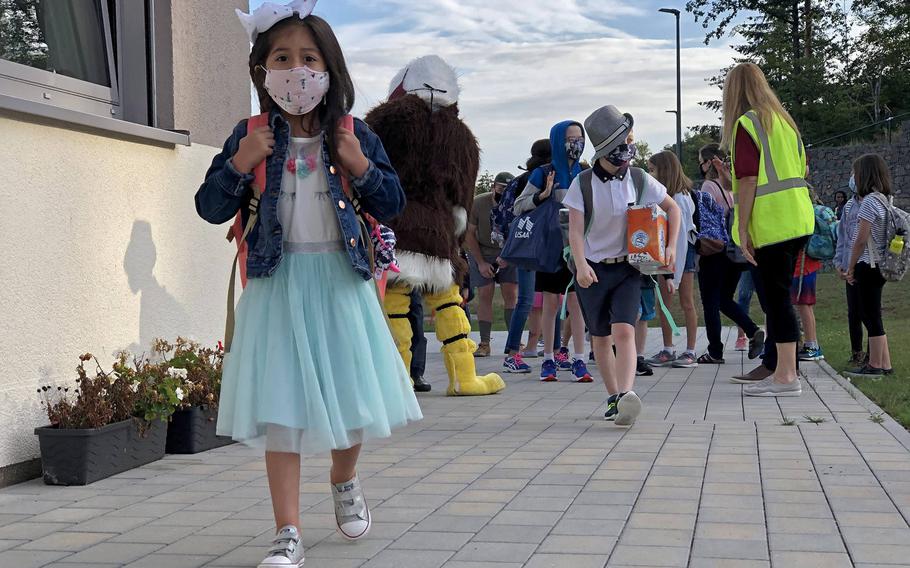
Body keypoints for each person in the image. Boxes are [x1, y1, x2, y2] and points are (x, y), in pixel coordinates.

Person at [196, 3, 422, 565]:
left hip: (341, 284)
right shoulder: (247, 135)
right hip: (276, 284)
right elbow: (208, 206)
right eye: (281, 58)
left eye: (308, 58)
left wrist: (362, 167)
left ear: (330, 69)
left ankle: (344, 480)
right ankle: (287, 531)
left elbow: (393, 204)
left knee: (349, 403)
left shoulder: (354, 133)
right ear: (260, 71)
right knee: (283, 412)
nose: (295, 71)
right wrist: (237, 164)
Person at [365, 55, 506, 397]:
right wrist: (455, 239)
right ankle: (464, 378)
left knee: (394, 309)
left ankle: (395, 381)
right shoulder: (461, 137)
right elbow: (463, 198)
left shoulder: (381, 123)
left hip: (393, 230)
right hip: (439, 235)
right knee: (449, 305)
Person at [566, 105, 681, 425]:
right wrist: (580, 265)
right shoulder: (583, 184)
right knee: (600, 337)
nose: (628, 150)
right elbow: (575, 231)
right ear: (605, 150)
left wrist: (670, 247)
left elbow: (673, 210)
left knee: (624, 331)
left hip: (629, 269)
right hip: (592, 269)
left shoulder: (640, 178)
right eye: (622, 144)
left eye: (630, 141)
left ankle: (628, 395)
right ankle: (614, 396)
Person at [712, 62, 815, 397]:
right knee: (779, 298)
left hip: (772, 224)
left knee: (776, 301)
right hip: (799, 218)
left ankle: (786, 377)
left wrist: (742, 229)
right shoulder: (785, 122)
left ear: (733, 92)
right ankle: (786, 369)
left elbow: (751, 179)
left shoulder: (748, 123)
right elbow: (801, 169)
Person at [514, 121, 593, 383]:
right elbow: (519, 206)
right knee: (550, 303)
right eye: (570, 138)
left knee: (576, 303)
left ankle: (578, 359)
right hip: (551, 247)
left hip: (579, 247)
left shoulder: (585, 172)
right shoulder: (543, 172)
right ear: (558, 141)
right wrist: (544, 194)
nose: (576, 143)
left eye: (579, 138)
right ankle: (548, 358)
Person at [693, 144, 765, 365]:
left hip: (715, 252)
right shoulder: (734, 186)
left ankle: (715, 351)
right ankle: (753, 330)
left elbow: (707, 223)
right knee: (724, 298)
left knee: (711, 303)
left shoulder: (708, 186)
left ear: (708, 163)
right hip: (735, 252)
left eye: (700, 161)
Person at [498, 140, 551, 373]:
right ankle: (517, 353)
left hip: (525, 246)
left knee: (537, 299)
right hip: (537, 244)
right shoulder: (538, 178)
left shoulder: (521, 179)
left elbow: (502, 214)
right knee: (541, 299)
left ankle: (518, 353)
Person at [645, 151, 699, 368]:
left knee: (686, 301)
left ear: (664, 170)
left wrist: (672, 270)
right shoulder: (667, 196)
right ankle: (668, 348)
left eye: (652, 169)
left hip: (680, 253)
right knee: (664, 303)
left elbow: (682, 237)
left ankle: (691, 350)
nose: (650, 174)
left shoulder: (681, 198)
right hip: (669, 253)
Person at [843, 154, 894, 378]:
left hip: (867, 262)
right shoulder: (885, 199)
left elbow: (860, 239)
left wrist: (850, 267)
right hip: (881, 263)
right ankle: (885, 363)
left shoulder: (869, 202)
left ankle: (874, 365)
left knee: (869, 315)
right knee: (874, 314)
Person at [466, 172, 518, 358]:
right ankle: (485, 342)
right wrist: (480, 262)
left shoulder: (517, 203)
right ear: (493, 187)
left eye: (507, 189)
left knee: (511, 294)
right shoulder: (479, 203)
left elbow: (518, 234)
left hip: (509, 252)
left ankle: (514, 341)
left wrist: (508, 257)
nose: (503, 192)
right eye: (500, 188)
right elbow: (469, 234)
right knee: (485, 293)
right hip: (483, 250)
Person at [834, 178, 867, 367]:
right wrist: (840, 262)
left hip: (866, 264)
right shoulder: (848, 206)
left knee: (869, 313)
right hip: (849, 268)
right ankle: (857, 352)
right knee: (853, 312)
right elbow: (843, 236)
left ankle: (875, 355)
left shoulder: (874, 202)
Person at [407, 290, 431, 391]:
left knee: (417, 330)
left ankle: (416, 374)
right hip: (388, 284)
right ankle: (402, 375)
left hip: (411, 283)